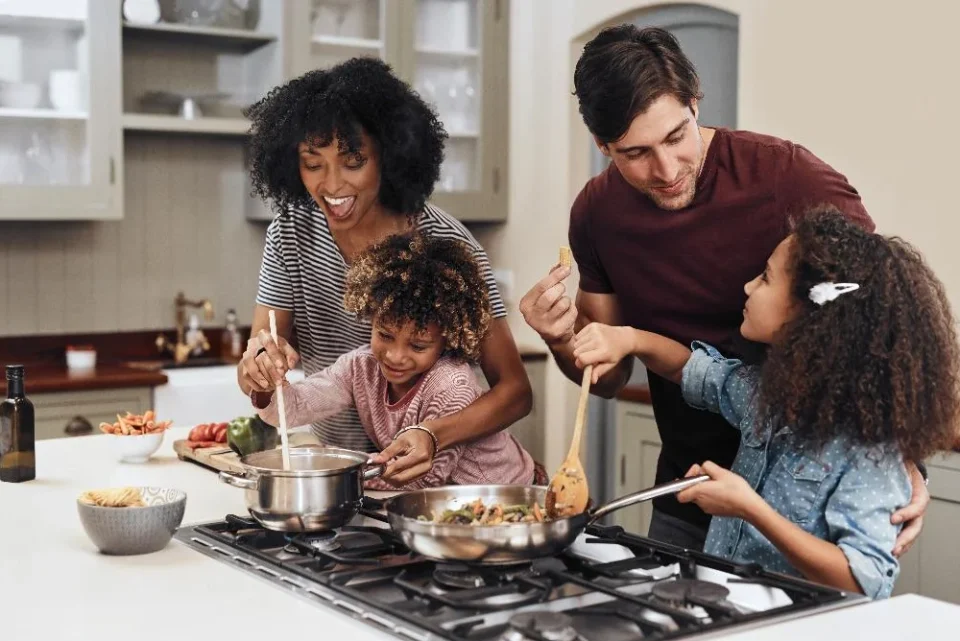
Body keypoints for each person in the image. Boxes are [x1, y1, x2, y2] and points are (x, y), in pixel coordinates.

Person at [519, 24, 929, 554]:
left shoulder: (789, 178)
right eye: (635, 153)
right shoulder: (597, 213)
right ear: (602, 145)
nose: (666, 170)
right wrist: (560, 338)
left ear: (695, 103)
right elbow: (610, 375)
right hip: (691, 493)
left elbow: (883, 313)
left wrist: (902, 457)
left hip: (814, 503)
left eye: (675, 137)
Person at [572, 208, 960, 598]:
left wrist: (750, 507)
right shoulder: (765, 396)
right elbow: (692, 369)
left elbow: (864, 581)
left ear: (808, 314)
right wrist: (631, 340)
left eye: (765, 278)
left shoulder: (869, 449)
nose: (746, 287)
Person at [239, 57, 532, 485]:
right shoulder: (290, 232)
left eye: (353, 161)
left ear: (389, 156)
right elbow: (265, 357)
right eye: (313, 163)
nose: (332, 185)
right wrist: (258, 369)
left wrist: (431, 434)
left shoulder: (448, 246)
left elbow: (515, 393)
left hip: (441, 482)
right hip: (347, 471)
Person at [253, 233, 539, 489]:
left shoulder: (452, 386)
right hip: (446, 503)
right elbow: (290, 410)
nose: (395, 356)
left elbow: (423, 478)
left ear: (447, 339)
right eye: (385, 335)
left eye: (418, 345)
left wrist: (332, 470)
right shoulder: (360, 367)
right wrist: (268, 384)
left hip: (509, 494)